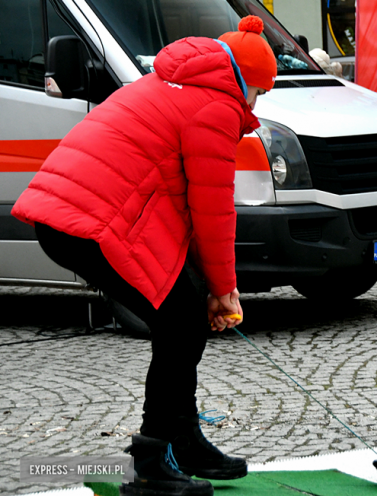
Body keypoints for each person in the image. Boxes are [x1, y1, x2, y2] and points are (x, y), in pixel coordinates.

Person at [12, 15, 277, 496]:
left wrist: (208, 289)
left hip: (67, 215)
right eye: (260, 92)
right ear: (245, 81)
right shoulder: (215, 106)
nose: (257, 105)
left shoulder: (169, 82)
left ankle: (183, 441)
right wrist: (223, 289)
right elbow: (212, 208)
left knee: (184, 317)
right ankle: (153, 462)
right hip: (87, 221)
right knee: (179, 321)